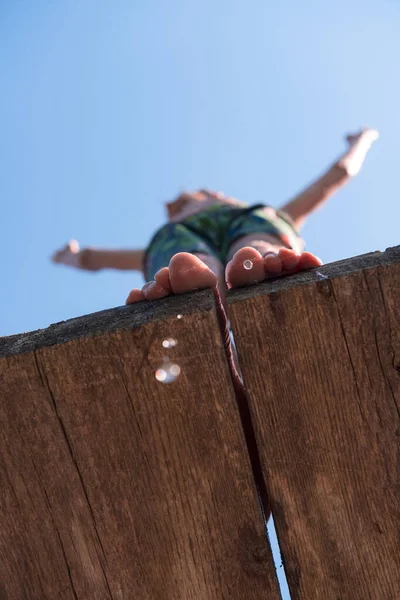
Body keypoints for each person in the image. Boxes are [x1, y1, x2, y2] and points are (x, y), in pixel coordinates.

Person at [52, 128, 379, 303]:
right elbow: (336, 176)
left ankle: (209, 272)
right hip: (249, 225)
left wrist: (71, 257)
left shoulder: (176, 231)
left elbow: (98, 259)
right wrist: (362, 140)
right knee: (251, 241)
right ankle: (254, 259)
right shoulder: (269, 215)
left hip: (242, 226)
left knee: (227, 245)